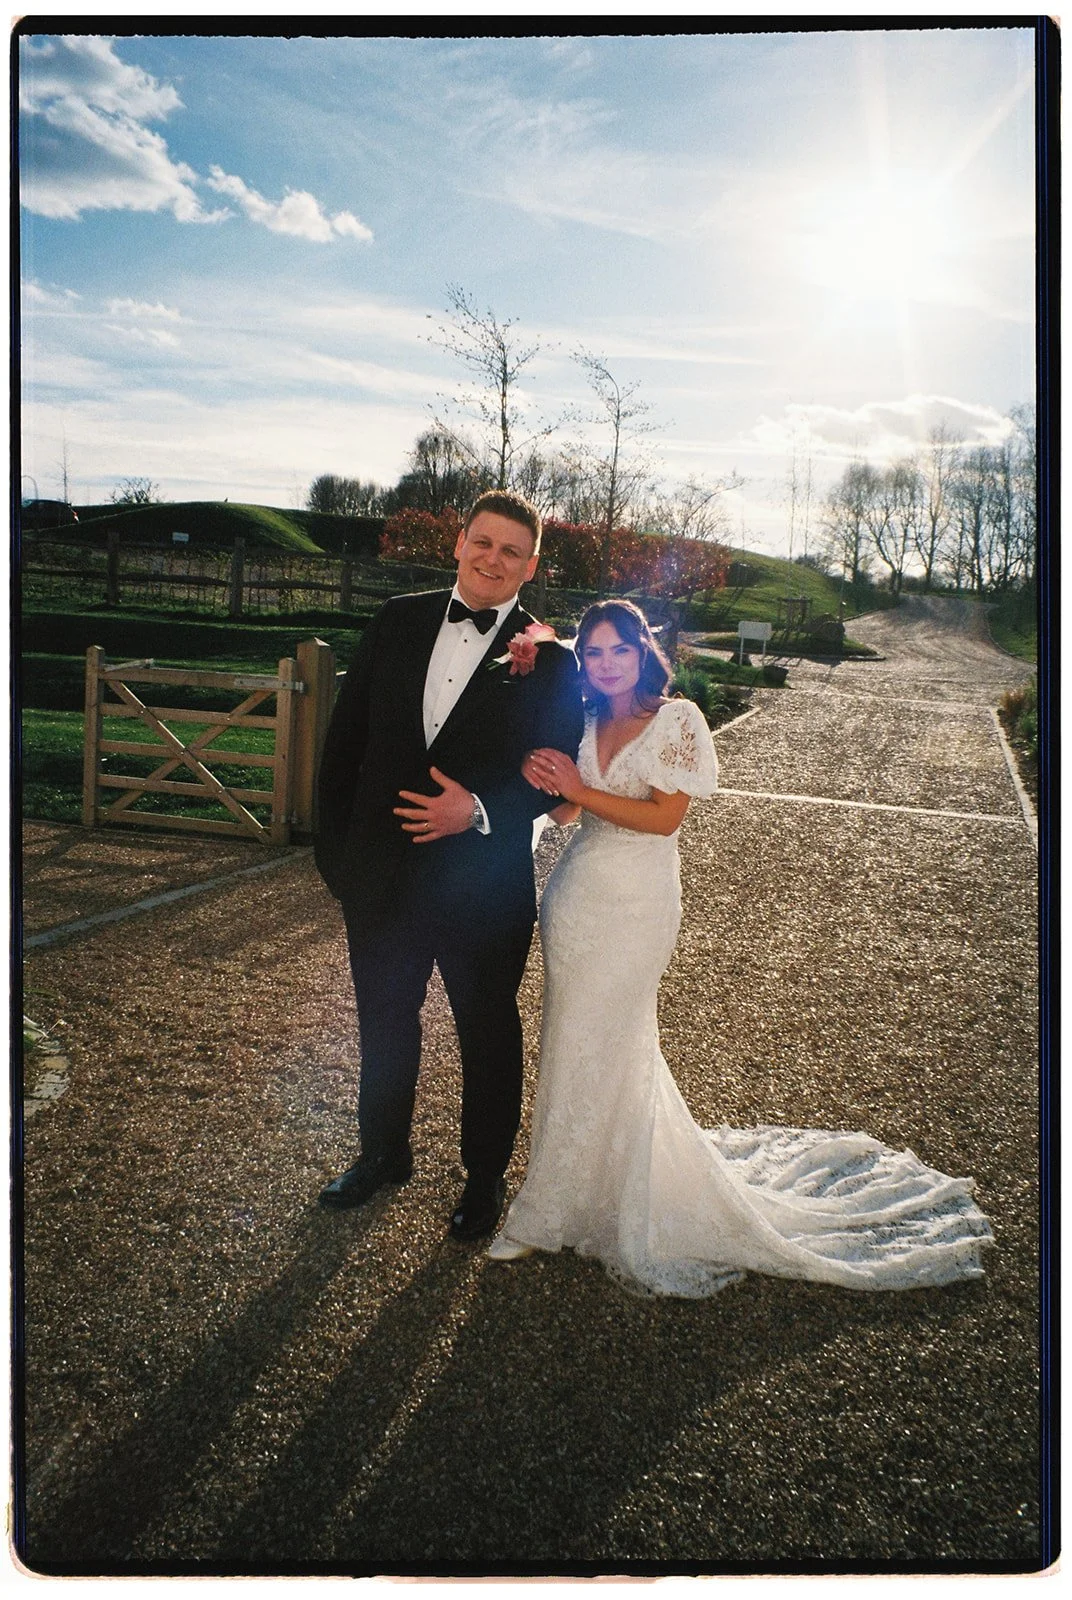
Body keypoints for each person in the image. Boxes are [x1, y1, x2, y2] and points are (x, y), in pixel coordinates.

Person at [487, 600, 992, 1297]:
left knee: (614, 1038)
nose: (605, 665)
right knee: (570, 1040)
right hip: (575, 903)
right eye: (593, 654)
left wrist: (578, 789)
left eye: (618, 652)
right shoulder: (585, 719)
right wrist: (546, 779)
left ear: (643, 652)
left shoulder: (676, 720)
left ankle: (551, 1212)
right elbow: (570, 810)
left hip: (637, 906)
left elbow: (665, 819)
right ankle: (567, 1194)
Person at [314, 490, 584, 1241]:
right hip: (381, 880)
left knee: (487, 1033)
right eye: (482, 542)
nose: (491, 560)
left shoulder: (551, 660)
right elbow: (345, 743)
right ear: (458, 543)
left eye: (510, 551)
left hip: (485, 887)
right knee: (384, 1023)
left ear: (531, 566)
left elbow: (556, 774)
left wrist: (480, 811)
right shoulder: (396, 619)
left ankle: (483, 1180)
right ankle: (381, 1154)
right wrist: (338, 861)